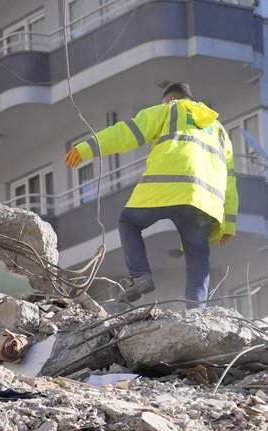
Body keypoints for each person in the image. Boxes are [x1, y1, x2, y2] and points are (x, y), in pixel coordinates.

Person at [64, 82, 237, 308]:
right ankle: (197, 311)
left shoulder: (169, 110)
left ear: (171, 99)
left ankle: (141, 276)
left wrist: (86, 148)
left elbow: (125, 133)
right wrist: (229, 224)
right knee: (198, 259)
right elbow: (230, 180)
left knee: (128, 221)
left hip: (164, 188)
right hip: (204, 202)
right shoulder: (220, 131)